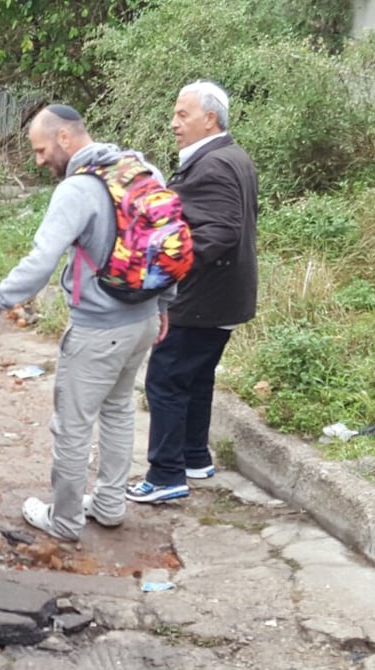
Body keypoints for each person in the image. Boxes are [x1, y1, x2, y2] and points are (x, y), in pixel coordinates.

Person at [0, 104, 173, 541]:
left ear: (65, 138)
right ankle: (111, 504)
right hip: (143, 321)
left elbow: (40, 261)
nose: (39, 161)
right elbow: (165, 243)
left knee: (72, 425)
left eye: (41, 149)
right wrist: (164, 306)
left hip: (99, 328)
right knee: (118, 411)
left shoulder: (78, 190)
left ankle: (63, 520)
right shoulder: (141, 169)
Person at [127, 81, 259, 504]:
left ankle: (165, 475)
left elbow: (222, 230)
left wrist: (167, 260)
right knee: (196, 379)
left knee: (165, 379)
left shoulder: (215, 164)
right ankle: (193, 457)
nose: (173, 123)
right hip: (224, 296)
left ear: (210, 118)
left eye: (182, 114)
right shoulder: (233, 156)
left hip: (201, 298)